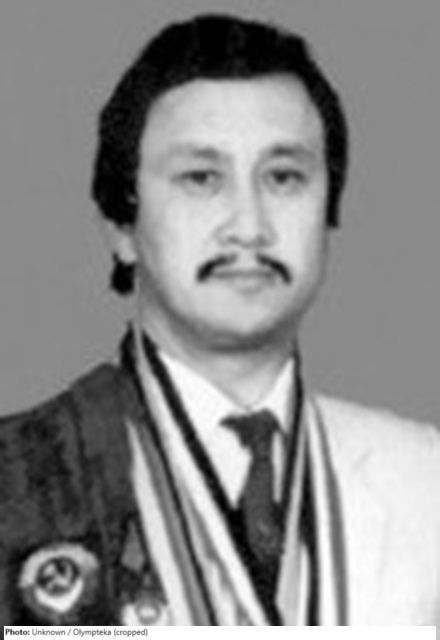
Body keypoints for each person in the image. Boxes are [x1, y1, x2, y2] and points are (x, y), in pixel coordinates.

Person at [0, 13, 439, 626]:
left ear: (328, 211)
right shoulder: (22, 479)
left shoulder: (425, 480)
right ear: (121, 225)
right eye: (201, 179)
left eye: (284, 177)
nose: (249, 227)